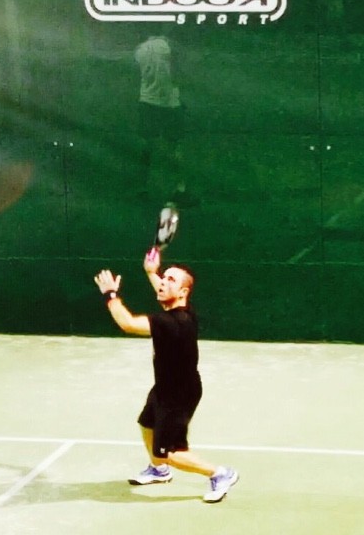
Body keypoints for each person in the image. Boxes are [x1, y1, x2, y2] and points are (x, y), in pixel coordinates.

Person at [93, 247, 238, 503]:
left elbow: (128, 323)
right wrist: (152, 272)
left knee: (170, 452)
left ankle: (220, 473)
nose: (162, 283)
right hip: (165, 387)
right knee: (147, 424)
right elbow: (163, 290)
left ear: (183, 292)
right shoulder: (183, 310)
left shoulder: (172, 323)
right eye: (164, 277)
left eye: (170, 280)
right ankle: (159, 470)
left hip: (179, 395)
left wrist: (110, 294)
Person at [134, 34, 197, 207]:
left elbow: (139, 74)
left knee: (146, 146)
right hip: (170, 104)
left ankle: (141, 188)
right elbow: (178, 76)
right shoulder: (171, 48)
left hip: (147, 102)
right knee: (175, 147)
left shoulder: (140, 49)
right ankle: (179, 189)